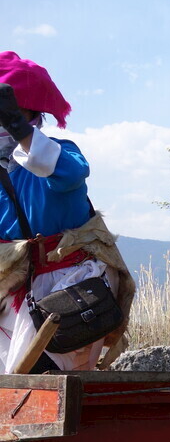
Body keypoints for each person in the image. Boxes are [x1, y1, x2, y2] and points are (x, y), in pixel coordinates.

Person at [0, 51, 133, 373]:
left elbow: (69, 172)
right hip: (13, 290)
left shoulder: (62, 155)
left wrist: (19, 130)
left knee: (53, 373)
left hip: (69, 287)